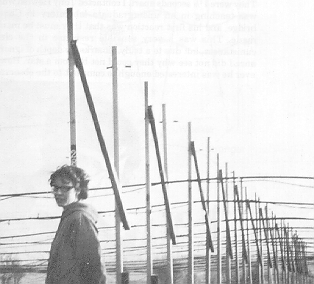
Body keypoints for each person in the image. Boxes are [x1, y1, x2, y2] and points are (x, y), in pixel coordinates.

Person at [46, 165, 106, 284]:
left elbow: (94, 265)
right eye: (55, 188)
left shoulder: (79, 218)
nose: (58, 192)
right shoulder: (69, 217)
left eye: (65, 188)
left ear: (78, 190)